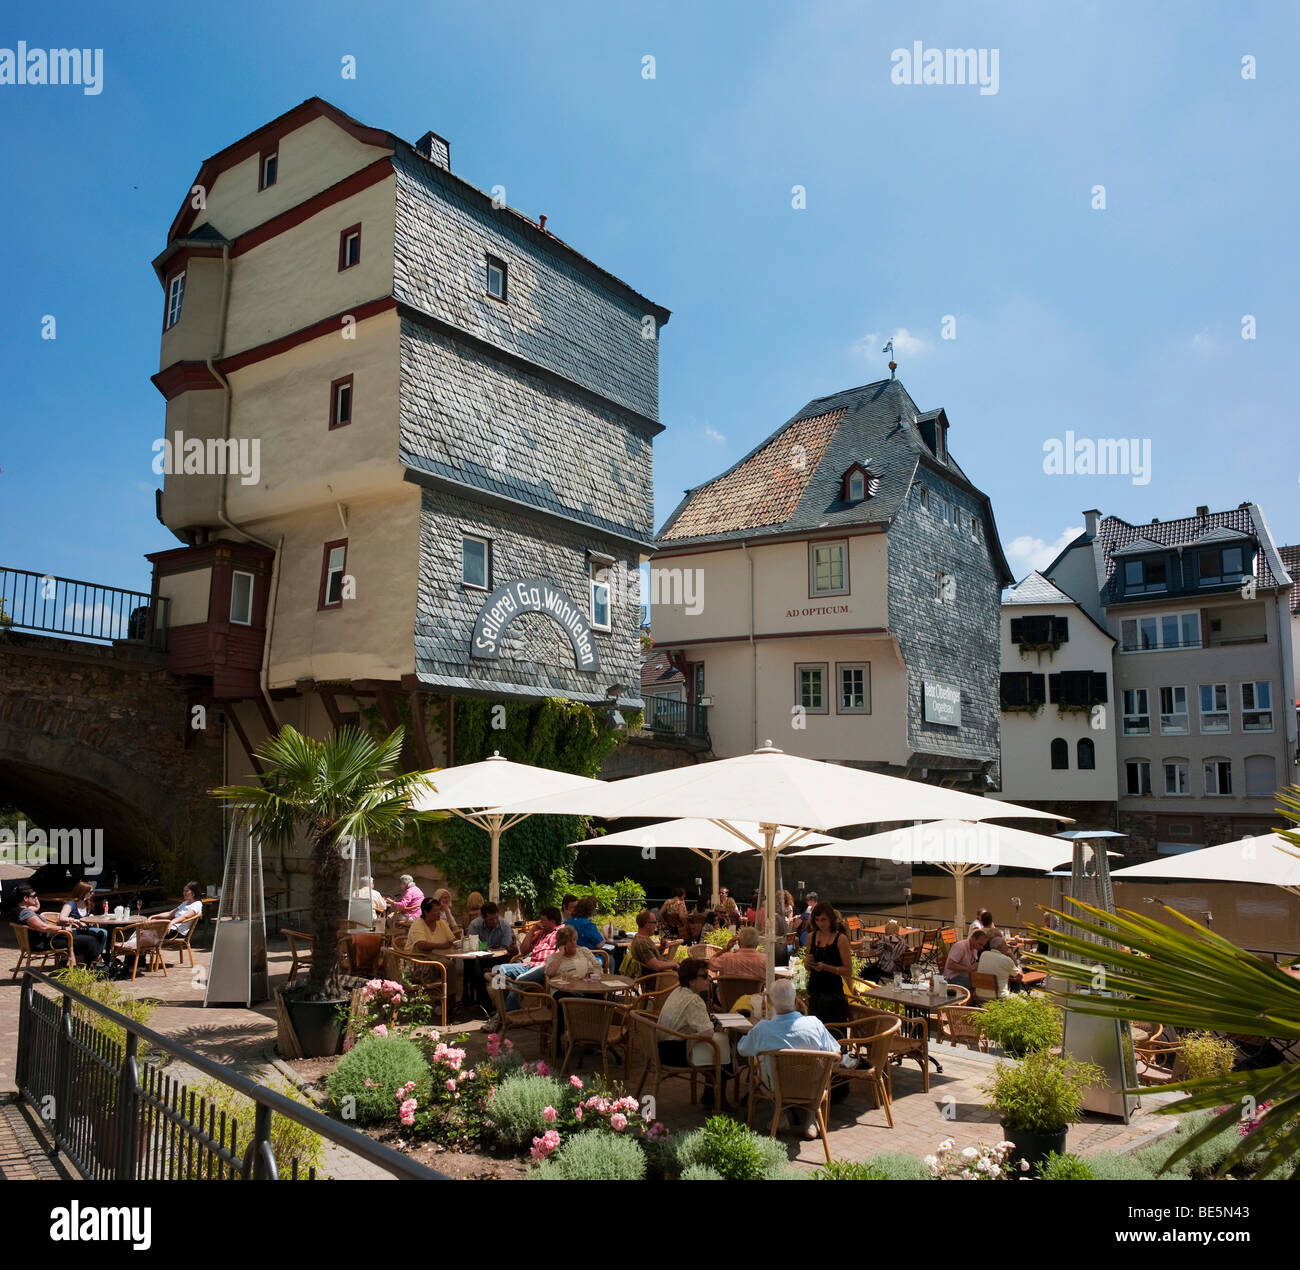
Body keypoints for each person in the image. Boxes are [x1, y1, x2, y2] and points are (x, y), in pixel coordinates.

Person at [737, 979, 840, 1138]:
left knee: (763, 1063)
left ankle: (780, 1115)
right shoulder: (814, 1023)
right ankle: (810, 1119)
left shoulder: (763, 1028)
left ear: (771, 1002)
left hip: (777, 1086)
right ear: (796, 1000)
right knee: (819, 1066)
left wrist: (752, 1037)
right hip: (812, 1086)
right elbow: (835, 1052)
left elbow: (743, 1049)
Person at [657, 958, 731, 1104]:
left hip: (661, 1046)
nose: (708, 979)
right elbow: (707, 1033)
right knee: (724, 1046)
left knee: (717, 1047)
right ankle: (718, 1099)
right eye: (704, 976)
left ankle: (710, 1095)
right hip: (675, 1053)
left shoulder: (677, 991)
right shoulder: (694, 1001)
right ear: (691, 980)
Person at [12, 884, 105, 966]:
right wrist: (63, 928)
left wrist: (36, 904)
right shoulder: (27, 913)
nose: (37, 897)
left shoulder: (19, 910)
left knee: (93, 935)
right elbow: (43, 927)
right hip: (46, 942)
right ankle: (96, 966)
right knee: (90, 940)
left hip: (47, 939)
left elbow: (36, 910)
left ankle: (90, 966)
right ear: (25, 898)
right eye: (34, 896)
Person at [495, 907, 561, 1009]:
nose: (540, 922)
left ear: (552, 921)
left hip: (543, 968)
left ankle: (505, 1014)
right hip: (529, 965)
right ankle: (508, 1008)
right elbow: (524, 950)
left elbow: (561, 952)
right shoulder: (541, 933)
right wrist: (532, 931)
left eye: (543, 920)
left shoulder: (561, 932)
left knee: (519, 980)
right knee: (499, 969)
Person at [117, 883, 204, 960]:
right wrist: (153, 916)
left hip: (177, 931)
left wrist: (171, 922)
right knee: (141, 931)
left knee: (145, 933)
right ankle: (134, 960)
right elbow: (170, 914)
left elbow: (185, 916)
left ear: (193, 893)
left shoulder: (197, 904)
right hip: (170, 928)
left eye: (186, 891)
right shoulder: (185, 903)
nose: (184, 893)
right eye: (183, 891)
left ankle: (135, 960)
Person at [804, 900, 851, 1024]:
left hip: (833, 994)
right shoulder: (811, 937)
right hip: (815, 991)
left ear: (830, 919)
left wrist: (826, 967)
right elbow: (807, 966)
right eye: (817, 920)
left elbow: (848, 970)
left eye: (823, 919)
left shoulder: (841, 939)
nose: (820, 923)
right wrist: (807, 963)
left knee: (834, 1034)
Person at [60, 881, 109, 960]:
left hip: (83, 929)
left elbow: (85, 918)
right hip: (73, 929)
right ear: (83, 892)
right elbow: (62, 918)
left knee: (102, 933)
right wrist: (77, 921)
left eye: (93, 891)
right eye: (90, 892)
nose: (92, 893)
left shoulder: (86, 903)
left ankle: (94, 957)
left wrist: (90, 917)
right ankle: (96, 958)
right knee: (102, 932)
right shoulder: (71, 903)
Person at [623, 909, 676, 977]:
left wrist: (661, 947)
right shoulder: (642, 943)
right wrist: (674, 964)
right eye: (654, 922)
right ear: (647, 924)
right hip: (659, 979)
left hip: (661, 975)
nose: (656, 925)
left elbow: (650, 956)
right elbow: (657, 966)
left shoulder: (641, 938)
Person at [860, 918, 908, 982]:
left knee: (866, 971)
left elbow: (878, 954)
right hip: (900, 969)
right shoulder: (902, 941)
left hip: (887, 969)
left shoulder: (885, 939)